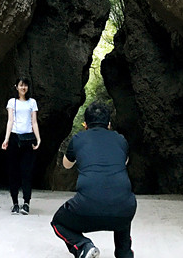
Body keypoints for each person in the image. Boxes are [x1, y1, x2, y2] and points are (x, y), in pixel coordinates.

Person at [51, 101, 136, 258]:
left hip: (87, 208)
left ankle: (83, 246)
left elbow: (67, 165)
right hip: (124, 210)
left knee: (58, 222)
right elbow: (123, 163)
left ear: (86, 124)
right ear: (109, 124)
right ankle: (124, 253)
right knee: (121, 200)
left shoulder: (78, 139)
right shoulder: (121, 140)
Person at [1, 76, 41, 214]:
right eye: (21, 85)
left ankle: (26, 203)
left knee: (27, 172)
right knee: (13, 171)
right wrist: (6, 139)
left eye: (25, 85)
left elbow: (34, 121)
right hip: (14, 138)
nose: (23, 88)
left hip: (28, 139)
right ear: (16, 87)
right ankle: (15, 203)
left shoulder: (32, 102)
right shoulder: (12, 102)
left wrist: (38, 138)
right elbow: (10, 121)